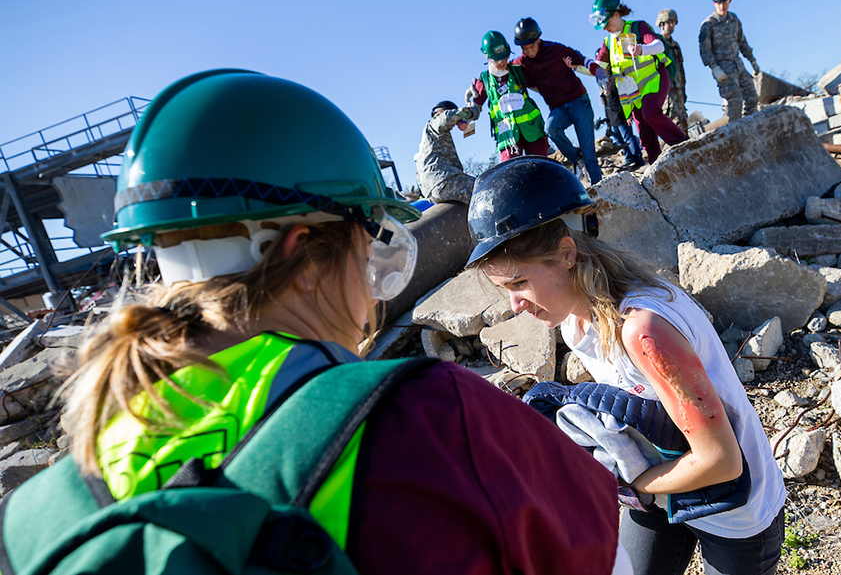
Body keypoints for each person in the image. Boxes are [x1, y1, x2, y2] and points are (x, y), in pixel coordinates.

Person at [17, 70, 628, 574]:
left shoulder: (42, 515)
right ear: (304, 255)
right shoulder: (432, 420)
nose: (373, 291)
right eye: (371, 248)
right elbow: (610, 560)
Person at [467, 157, 787, 575]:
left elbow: (722, 462)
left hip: (735, 512)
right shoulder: (577, 325)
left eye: (519, 283)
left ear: (566, 254)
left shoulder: (643, 331)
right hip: (665, 487)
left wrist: (629, 485)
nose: (515, 305)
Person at [591, 0, 689, 165]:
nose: (605, 27)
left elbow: (658, 46)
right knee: (644, 131)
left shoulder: (638, 27)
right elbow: (597, 66)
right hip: (634, 93)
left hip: (654, 80)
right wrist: (577, 66)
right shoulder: (608, 43)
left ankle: (684, 146)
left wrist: (641, 49)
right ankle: (657, 165)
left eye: (606, 22)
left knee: (650, 113)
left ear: (616, 14)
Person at [512, 17, 605, 184]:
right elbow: (504, 71)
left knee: (589, 152)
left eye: (532, 47)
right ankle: (576, 158)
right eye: (525, 49)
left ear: (538, 40)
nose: (529, 52)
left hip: (579, 102)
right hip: (559, 108)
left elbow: (582, 59)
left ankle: (599, 187)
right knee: (551, 128)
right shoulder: (522, 63)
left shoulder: (557, 50)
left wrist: (598, 72)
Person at [465, 30, 549, 162]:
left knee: (541, 168)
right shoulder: (485, 80)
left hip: (533, 130)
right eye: (497, 60)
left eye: (504, 57)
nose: (502, 62)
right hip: (507, 137)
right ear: (487, 57)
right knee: (511, 172)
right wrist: (463, 117)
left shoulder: (518, 71)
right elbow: (475, 109)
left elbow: (544, 86)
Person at [699, 0, 761, 121]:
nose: (722, 6)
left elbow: (742, 42)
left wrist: (753, 61)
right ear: (714, 3)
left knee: (752, 97)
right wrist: (714, 67)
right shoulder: (708, 24)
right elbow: (705, 49)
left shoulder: (734, 20)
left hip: (738, 64)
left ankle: (748, 126)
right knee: (735, 102)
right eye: (718, 2)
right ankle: (736, 133)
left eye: (724, 2)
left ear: (730, 0)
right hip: (723, 69)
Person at [415, 99, 477, 204]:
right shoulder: (433, 124)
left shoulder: (424, 145)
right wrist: (469, 113)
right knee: (485, 189)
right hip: (444, 180)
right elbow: (445, 118)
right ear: (440, 112)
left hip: (431, 190)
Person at [595, 56, 644, 170]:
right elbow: (605, 103)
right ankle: (629, 159)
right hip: (611, 117)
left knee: (628, 137)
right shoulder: (602, 82)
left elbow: (625, 96)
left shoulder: (616, 78)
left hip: (621, 113)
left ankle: (637, 158)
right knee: (618, 139)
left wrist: (629, 114)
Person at [656, 9, 689, 133]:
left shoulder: (675, 46)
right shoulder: (656, 44)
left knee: (684, 121)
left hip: (678, 88)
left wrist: (684, 90)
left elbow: (681, 69)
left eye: (673, 22)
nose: (671, 25)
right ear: (662, 24)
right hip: (666, 90)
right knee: (674, 122)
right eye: (669, 22)